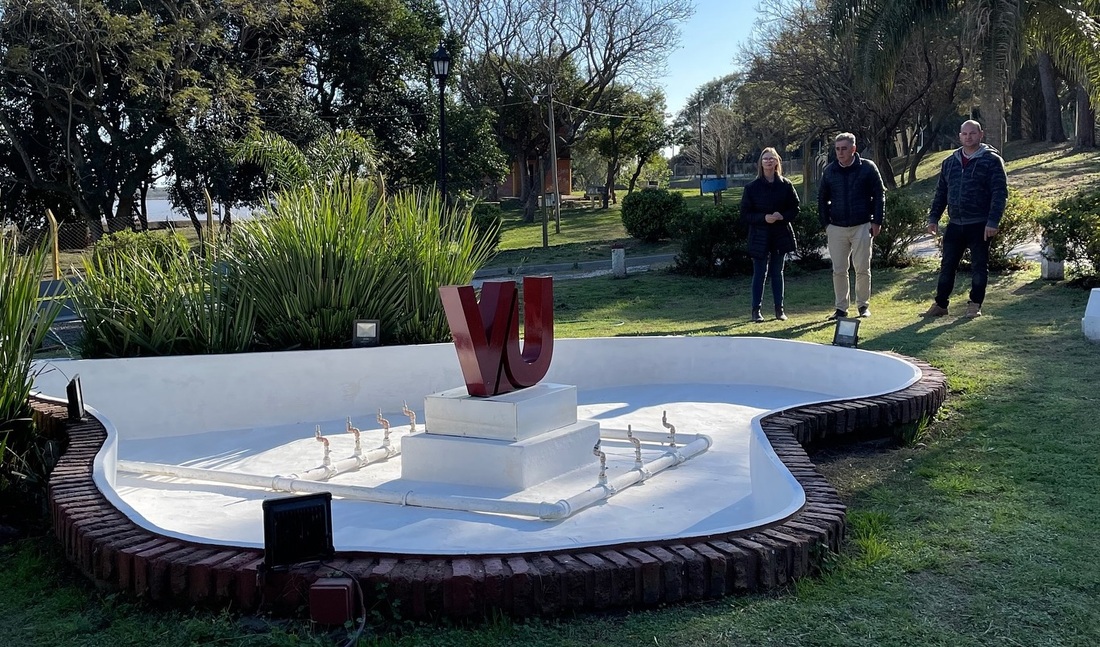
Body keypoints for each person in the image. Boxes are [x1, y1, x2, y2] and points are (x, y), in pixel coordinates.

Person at [922, 119, 1007, 318]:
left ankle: (975, 304)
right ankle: (940, 305)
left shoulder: (991, 161)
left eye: (972, 133)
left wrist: (993, 221)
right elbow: (941, 192)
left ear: (981, 135)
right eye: (965, 134)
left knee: (979, 267)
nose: (968, 137)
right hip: (955, 224)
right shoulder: (950, 162)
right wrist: (933, 218)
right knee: (947, 266)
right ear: (960, 136)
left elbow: (999, 193)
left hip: (980, 224)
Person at [817, 132, 886, 320]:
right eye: (837, 149)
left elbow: (879, 195)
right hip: (836, 227)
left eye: (844, 149)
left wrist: (877, 221)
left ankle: (863, 306)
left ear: (853, 149)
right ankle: (841, 308)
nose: (840, 153)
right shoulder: (829, 171)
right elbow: (821, 199)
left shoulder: (868, 168)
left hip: (862, 225)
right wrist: (826, 224)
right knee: (839, 270)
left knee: (862, 268)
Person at [740, 147, 799, 322]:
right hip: (759, 236)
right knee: (759, 273)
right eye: (765, 159)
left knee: (777, 272)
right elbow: (745, 214)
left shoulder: (786, 185)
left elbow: (795, 208)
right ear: (760, 163)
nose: (768, 161)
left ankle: (779, 310)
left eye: (771, 158)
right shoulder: (752, 188)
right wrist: (763, 218)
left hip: (780, 234)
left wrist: (783, 216)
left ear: (777, 162)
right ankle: (756, 311)